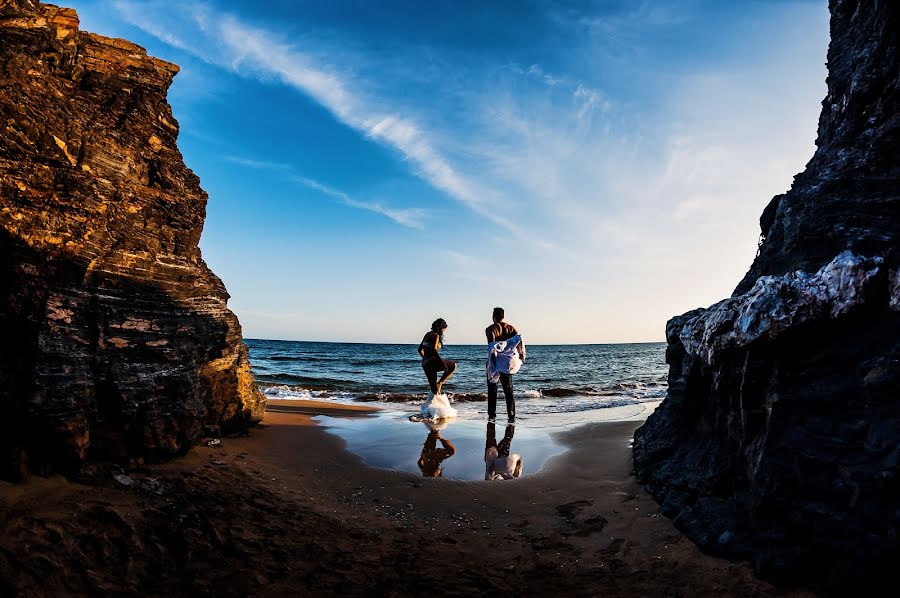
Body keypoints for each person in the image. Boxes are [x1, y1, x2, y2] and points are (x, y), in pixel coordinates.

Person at [485, 307, 525, 421]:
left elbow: (491, 347)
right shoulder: (511, 328)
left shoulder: (490, 329)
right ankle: (511, 416)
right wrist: (520, 356)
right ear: (503, 316)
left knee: (492, 389)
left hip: (495, 361)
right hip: (507, 363)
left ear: (493, 316)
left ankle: (492, 416)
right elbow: (519, 343)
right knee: (508, 390)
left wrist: (491, 363)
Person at [418, 318, 457, 395]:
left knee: (434, 390)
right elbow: (434, 351)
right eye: (444, 329)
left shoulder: (427, 334)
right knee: (453, 366)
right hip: (432, 362)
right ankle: (440, 383)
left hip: (425, 364)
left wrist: (425, 360)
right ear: (440, 328)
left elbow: (419, 349)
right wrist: (442, 363)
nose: (444, 331)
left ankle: (430, 406)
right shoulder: (436, 335)